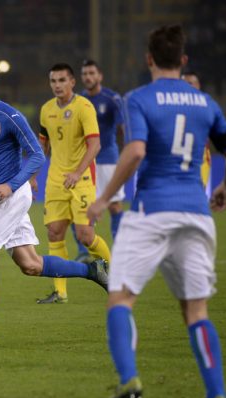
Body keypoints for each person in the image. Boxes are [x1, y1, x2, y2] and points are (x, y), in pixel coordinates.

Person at [87, 24, 226, 398]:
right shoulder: (205, 102)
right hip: (196, 213)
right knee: (196, 311)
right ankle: (217, 396)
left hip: (151, 211)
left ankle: (130, 377)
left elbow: (134, 152)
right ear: (183, 61)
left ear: (149, 59)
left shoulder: (138, 99)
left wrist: (102, 198)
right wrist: (224, 187)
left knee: (121, 298)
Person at [0, 61, 109, 343]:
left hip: (13, 193)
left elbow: (36, 154)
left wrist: (11, 185)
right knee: (31, 264)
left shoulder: (9, 116)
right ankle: (92, 270)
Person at [36, 63, 112, 304]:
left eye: (61, 80)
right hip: (56, 181)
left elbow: (95, 145)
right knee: (54, 233)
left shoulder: (84, 107)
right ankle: (60, 292)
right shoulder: (46, 110)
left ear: (72, 82)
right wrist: (31, 175)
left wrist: (78, 173)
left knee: (86, 235)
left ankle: (115, 278)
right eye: (53, 81)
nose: (57, 85)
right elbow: (42, 146)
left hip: (82, 180)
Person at [69, 60, 125, 263]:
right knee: (77, 206)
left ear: (100, 76)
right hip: (84, 162)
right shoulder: (77, 100)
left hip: (108, 159)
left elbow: (123, 127)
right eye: (84, 74)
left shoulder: (111, 98)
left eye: (92, 73)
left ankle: (119, 250)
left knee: (114, 205)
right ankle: (83, 252)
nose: (88, 77)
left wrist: (127, 151)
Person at [182, 70, 213, 198]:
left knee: (197, 197)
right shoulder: (174, 105)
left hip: (199, 159)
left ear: (198, 86)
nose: (187, 87)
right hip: (178, 158)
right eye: (184, 84)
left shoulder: (207, 106)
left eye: (190, 83)